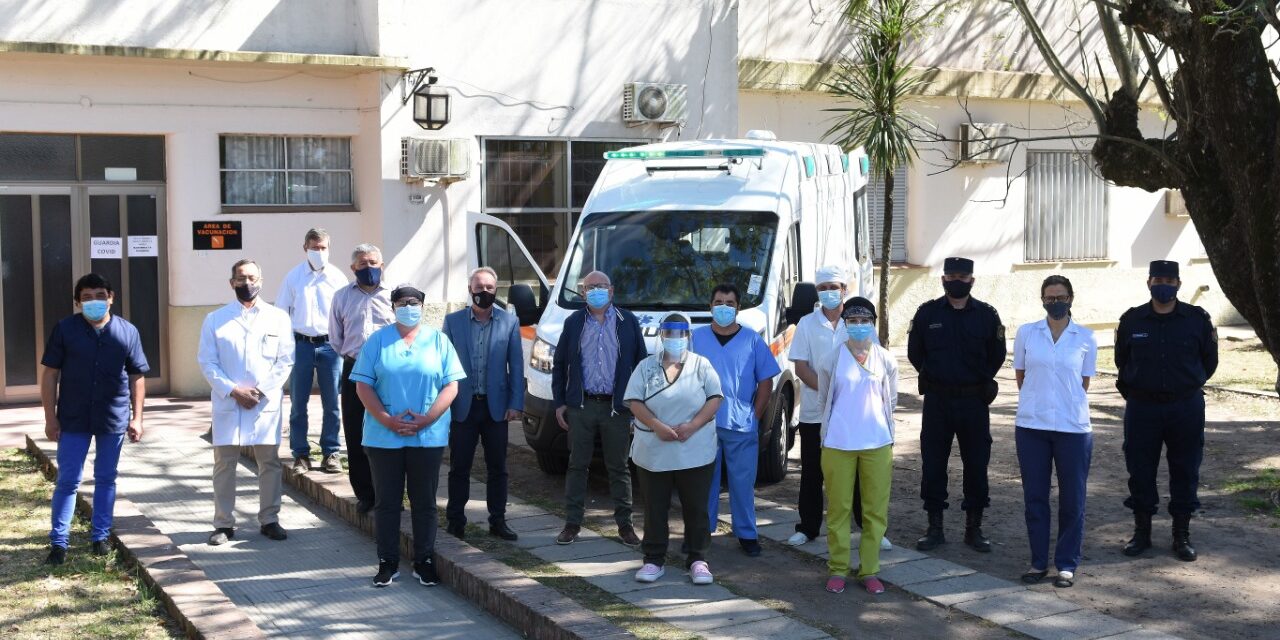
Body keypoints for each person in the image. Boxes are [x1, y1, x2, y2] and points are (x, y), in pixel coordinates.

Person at [352, 285, 465, 588]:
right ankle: (387, 562)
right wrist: (387, 420)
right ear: (393, 307)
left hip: (427, 436)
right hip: (383, 437)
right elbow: (363, 386)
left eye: (414, 302)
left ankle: (424, 561)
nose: (408, 307)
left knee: (424, 502)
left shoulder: (439, 341)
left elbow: (451, 385)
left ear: (423, 306)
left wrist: (427, 418)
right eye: (402, 303)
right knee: (387, 502)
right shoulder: (377, 341)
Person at [40, 273, 149, 565]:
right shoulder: (65, 330)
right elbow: (50, 375)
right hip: (73, 418)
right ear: (77, 302)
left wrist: (137, 418)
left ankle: (100, 537)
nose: (93, 302)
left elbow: (137, 376)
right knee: (68, 480)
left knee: (106, 478)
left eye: (99, 295)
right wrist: (50, 418)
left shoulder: (128, 332)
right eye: (86, 297)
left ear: (111, 298)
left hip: (112, 417)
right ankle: (58, 543)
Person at [1115, 260, 1217, 562]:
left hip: (1185, 406)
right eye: (1159, 279)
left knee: (1186, 469)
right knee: (1140, 469)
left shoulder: (1197, 319)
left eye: (1170, 281)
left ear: (1178, 285)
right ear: (1148, 282)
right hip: (1142, 407)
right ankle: (1142, 533)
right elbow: (1123, 360)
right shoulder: (1132, 320)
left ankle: (1181, 535)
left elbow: (1208, 362)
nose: (1164, 286)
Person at [786, 266, 892, 551]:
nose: (829, 293)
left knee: (859, 474)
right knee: (812, 471)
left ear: (845, 289)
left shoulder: (858, 321)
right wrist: (831, 391)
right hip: (814, 413)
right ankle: (808, 527)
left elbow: (876, 362)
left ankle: (870, 529)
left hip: (854, 415)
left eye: (834, 287)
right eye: (823, 288)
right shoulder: (807, 324)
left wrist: (843, 394)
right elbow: (801, 366)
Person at [907, 256, 1005, 552]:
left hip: (974, 401)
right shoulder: (927, 314)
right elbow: (915, 353)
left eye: (963, 277)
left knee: (976, 464)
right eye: (951, 276)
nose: (957, 281)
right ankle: (934, 527)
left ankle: (973, 528)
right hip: (938, 401)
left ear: (972, 280)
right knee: (933, 464)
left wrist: (977, 379)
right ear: (943, 280)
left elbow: (996, 355)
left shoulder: (987, 316)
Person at [198, 259, 295, 546]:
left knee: (270, 463)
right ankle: (223, 524)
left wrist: (261, 391)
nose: (247, 283)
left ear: (261, 280)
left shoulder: (278, 317)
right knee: (224, 464)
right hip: (229, 402)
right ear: (232, 283)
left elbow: (285, 360)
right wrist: (233, 390)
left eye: (252, 278)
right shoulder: (216, 319)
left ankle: (269, 519)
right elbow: (207, 361)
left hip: (264, 404)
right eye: (241, 279)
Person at [624, 314, 723, 585]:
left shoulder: (701, 365)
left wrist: (692, 425)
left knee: (696, 507)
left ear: (688, 336)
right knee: (655, 507)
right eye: (669, 334)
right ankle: (654, 559)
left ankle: (698, 558)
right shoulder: (646, 367)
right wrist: (656, 425)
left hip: (694, 448)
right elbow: (633, 401)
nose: (675, 340)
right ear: (661, 335)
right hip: (654, 450)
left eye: (680, 335)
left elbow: (715, 398)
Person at [552, 270, 647, 547]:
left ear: (612, 290)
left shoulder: (627, 322)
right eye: (590, 287)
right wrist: (560, 403)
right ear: (582, 292)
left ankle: (625, 526)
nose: (595, 291)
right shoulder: (573, 322)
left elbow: (641, 365)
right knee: (577, 465)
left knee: (619, 467)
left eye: (601, 286)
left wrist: (637, 406)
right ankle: (572, 524)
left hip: (616, 408)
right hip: (581, 406)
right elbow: (560, 365)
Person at [1012, 275, 1097, 588]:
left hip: (1073, 428)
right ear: (1042, 300)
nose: (1055, 302)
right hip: (1032, 426)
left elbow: (1083, 383)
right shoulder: (1026, 333)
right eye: (1049, 297)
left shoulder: (1086, 337)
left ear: (1071, 298)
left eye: (1060, 297)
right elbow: (1022, 375)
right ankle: (1037, 562)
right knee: (1035, 497)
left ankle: (1066, 564)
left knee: (1072, 499)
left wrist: (1061, 402)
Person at [691, 283, 781, 557]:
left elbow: (766, 380)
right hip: (703, 423)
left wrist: (754, 414)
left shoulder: (752, 340)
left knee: (742, 483)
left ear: (738, 308)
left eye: (729, 303)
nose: (724, 307)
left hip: (740, 423)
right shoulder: (696, 338)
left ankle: (746, 534)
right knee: (703, 482)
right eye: (718, 302)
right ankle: (701, 532)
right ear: (710, 306)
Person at [815, 298, 897, 595]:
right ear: (844, 324)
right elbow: (824, 400)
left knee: (875, 512)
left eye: (865, 320)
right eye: (853, 320)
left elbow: (892, 401)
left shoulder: (886, 360)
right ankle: (838, 568)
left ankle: (870, 570)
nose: (859, 326)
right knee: (839, 509)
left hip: (877, 443)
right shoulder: (831, 360)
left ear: (873, 323)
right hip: (838, 443)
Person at [443, 267, 524, 542]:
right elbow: (444, 366)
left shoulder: (510, 322)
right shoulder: (452, 322)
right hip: (463, 406)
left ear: (496, 289)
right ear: (470, 289)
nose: (484, 292)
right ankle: (455, 521)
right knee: (459, 467)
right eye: (479, 288)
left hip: (496, 407)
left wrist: (516, 403)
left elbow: (516, 364)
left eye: (490, 287)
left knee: (498, 468)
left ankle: (498, 521)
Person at [276, 228, 349, 475]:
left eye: (323, 248)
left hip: (330, 346)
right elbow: (281, 314)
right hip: (301, 346)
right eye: (314, 248)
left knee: (332, 403)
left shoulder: (338, 277)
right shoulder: (293, 277)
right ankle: (301, 454)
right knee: (298, 403)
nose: (319, 252)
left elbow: (345, 314)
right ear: (305, 248)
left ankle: (331, 452)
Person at [328, 244, 394, 513]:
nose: (369, 268)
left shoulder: (394, 296)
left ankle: (389, 495)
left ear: (382, 265)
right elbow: (335, 338)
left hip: (389, 372)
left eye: (374, 262)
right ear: (353, 268)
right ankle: (366, 495)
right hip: (355, 369)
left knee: (389, 431)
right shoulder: (341, 297)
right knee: (356, 432)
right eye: (363, 264)